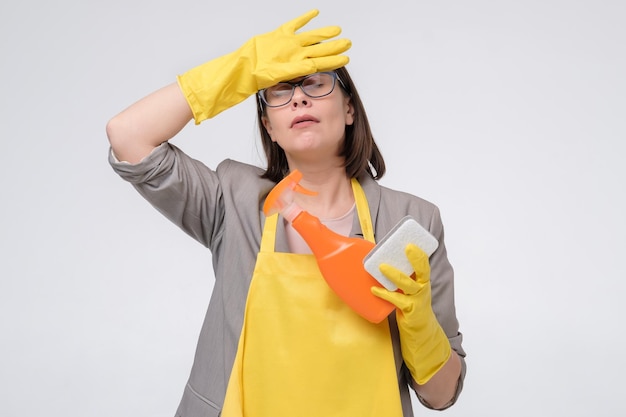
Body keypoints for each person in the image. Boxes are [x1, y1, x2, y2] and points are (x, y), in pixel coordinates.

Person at [106, 9, 466, 417]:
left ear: (350, 110)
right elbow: (128, 136)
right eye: (278, 91)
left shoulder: (410, 224)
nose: (298, 97)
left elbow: (440, 394)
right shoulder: (233, 199)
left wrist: (420, 326)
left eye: (315, 83)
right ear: (269, 125)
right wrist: (240, 70)